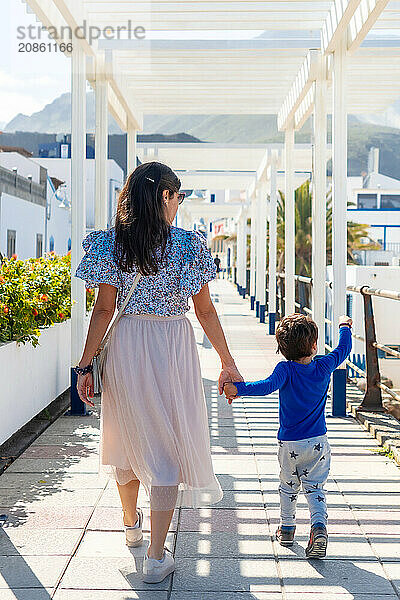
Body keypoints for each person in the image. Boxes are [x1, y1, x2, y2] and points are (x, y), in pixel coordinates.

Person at [73, 161, 243, 584]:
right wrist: (227, 360)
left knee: (125, 437)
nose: (179, 205)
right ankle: (155, 557)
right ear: (165, 196)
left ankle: (131, 526)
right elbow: (204, 310)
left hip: (127, 344)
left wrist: (83, 365)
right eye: (178, 196)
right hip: (172, 346)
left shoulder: (112, 243)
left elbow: (105, 309)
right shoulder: (188, 246)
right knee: (167, 446)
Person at [223, 313, 352, 559]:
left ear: (281, 348)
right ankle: (318, 527)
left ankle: (287, 529)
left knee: (288, 487)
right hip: (318, 443)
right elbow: (344, 349)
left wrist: (236, 389)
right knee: (315, 489)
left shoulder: (285, 369)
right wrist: (345, 325)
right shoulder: (324, 365)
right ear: (314, 346)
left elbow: (264, 387)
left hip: (289, 444)